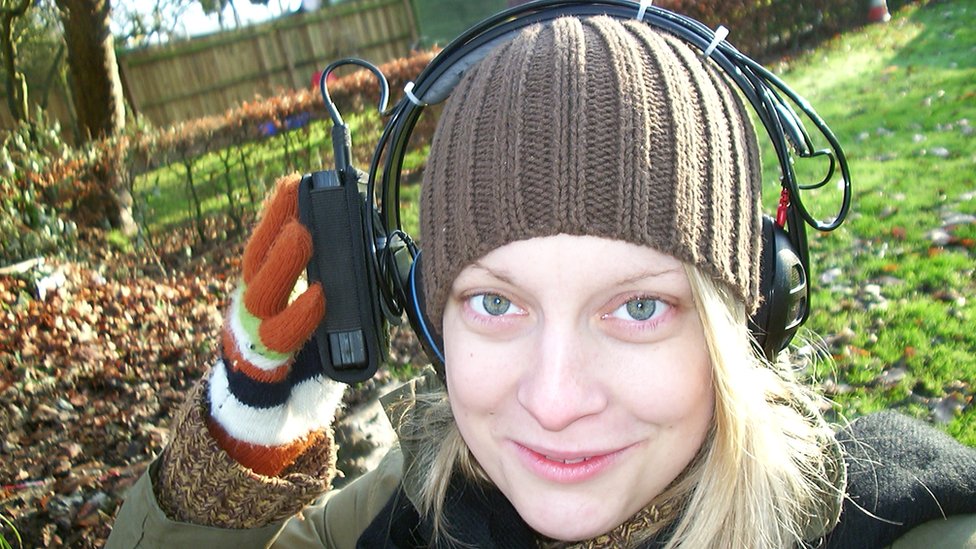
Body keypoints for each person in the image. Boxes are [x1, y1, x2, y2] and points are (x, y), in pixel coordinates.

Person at [106, 10, 976, 549]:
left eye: (640, 305)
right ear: (427, 313)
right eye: (495, 301)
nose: (556, 401)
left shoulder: (897, 521)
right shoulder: (402, 507)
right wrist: (247, 426)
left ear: (750, 316)